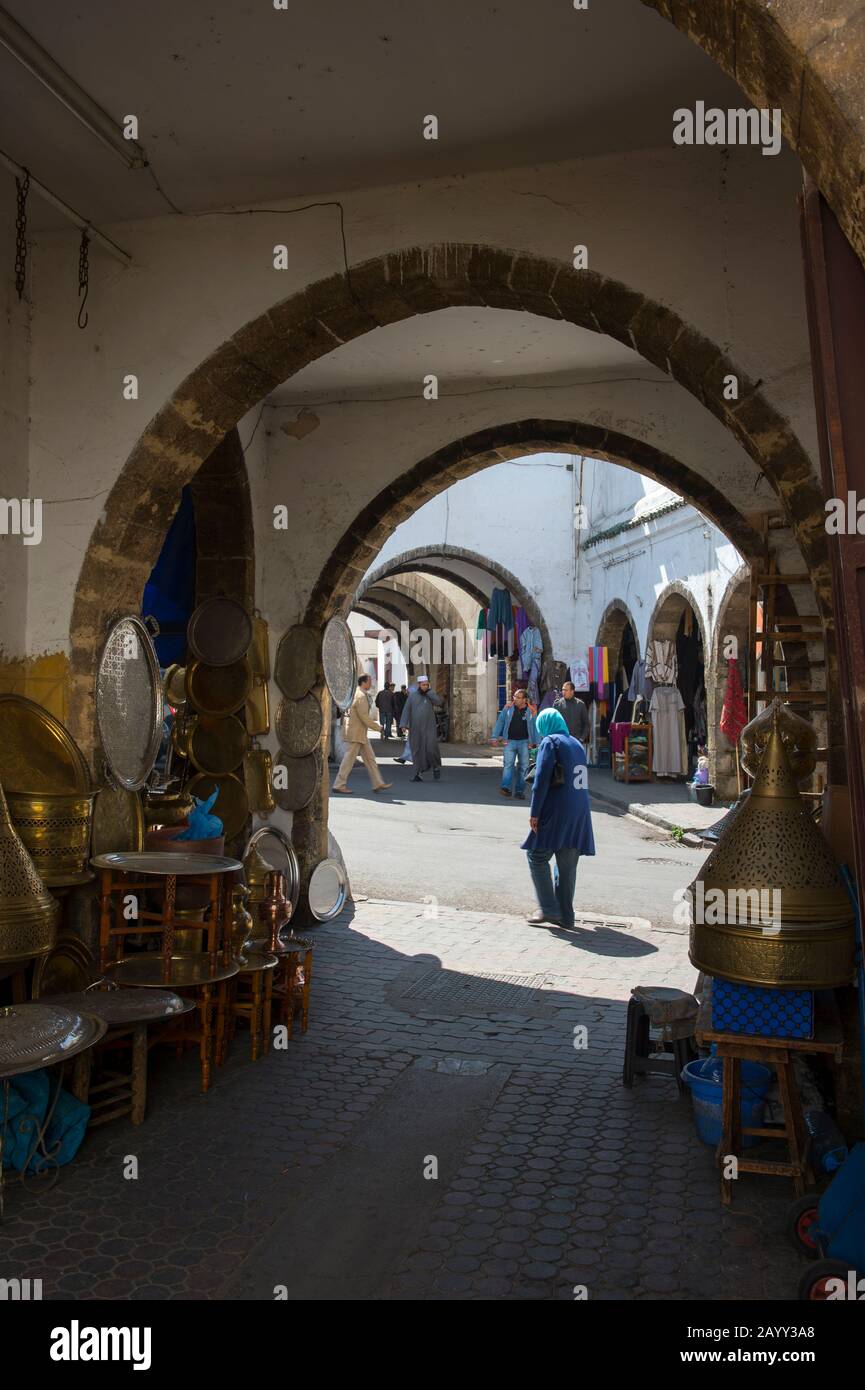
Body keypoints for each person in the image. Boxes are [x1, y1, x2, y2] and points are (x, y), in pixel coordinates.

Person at [522, 707, 595, 928]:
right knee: (567, 865)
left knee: (537, 856)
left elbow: (542, 780)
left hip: (558, 810)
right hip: (580, 811)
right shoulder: (575, 743)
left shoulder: (550, 742)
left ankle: (549, 909)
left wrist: (534, 813)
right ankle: (566, 916)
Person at [332, 675, 393, 795]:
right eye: (369, 681)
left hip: (359, 732)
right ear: (364, 682)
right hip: (356, 733)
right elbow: (364, 717)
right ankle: (339, 784)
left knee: (370, 759)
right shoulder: (360, 696)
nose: (371, 683)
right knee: (348, 760)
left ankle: (377, 783)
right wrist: (378, 727)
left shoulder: (356, 693)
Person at [491, 687, 537, 800]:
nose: (515, 699)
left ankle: (520, 791)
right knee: (508, 765)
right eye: (515, 697)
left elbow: (535, 727)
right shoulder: (508, 709)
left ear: (525, 700)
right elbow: (500, 722)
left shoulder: (531, 711)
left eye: (518, 697)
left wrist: (536, 743)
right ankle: (506, 787)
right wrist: (494, 737)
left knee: (523, 767)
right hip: (509, 741)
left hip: (525, 743)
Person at [401, 675, 443, 781]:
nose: (425, 686)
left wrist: (429, 692)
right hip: (415, 728)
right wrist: (403, 724)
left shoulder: (430, 695)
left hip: (429, 727)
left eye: (426, 685)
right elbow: (406, 710)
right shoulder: (412, 696)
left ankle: (435, 767)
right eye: (423, 685)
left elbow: (439, 702)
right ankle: (417, 774)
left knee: (431, 748)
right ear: (419, 685)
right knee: (416, 750)